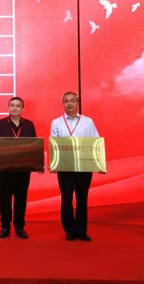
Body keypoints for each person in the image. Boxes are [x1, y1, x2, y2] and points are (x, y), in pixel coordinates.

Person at [51, 91, 100, 242]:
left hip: (84, 166)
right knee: (66, 199)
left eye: (73, 101)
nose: (70, 104)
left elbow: (96, 142)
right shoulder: (56, 123)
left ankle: (81, 230)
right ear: (63, 104)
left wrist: (99, 164)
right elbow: (54, 145)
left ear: (78, 103)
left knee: (82, 198)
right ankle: (69, 230)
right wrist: (54, 163)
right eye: (66, 101)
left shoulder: (88, 122)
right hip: (65, 167)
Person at [0, 97, 36, 239]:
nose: (15, 108)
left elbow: (34, 145)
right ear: (8, 108)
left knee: (21, 198)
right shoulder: (0, 124)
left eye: (18, 106)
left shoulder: (29, 125)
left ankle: (19, 227)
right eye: (12, 105)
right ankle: (5, 227)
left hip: (23, 169)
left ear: (23, 108)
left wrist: (36, 163)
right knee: (4, 198)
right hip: (4, 168)